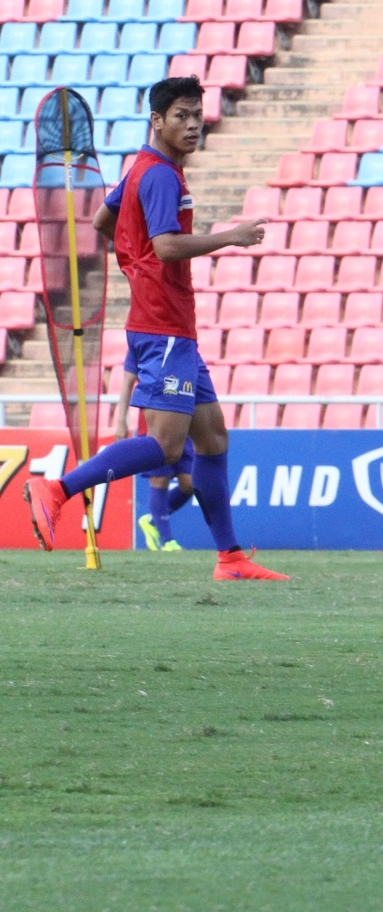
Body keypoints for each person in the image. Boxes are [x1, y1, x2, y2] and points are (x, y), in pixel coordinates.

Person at [26, 76, 285, 579]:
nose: (193, 125)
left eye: (198, 116)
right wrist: (229, 237)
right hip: (163, 326)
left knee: (213, 439)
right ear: (157, 120)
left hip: (171, 326)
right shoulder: (161, 176)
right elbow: (165, 246)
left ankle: (230, 558)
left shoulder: (142, 169)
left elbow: (104, 220)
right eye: (182, 116)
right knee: (167, 446)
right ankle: (56, 489)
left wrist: (134, 260)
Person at [119, 371, 196, 552]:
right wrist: (121, 420)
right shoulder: (140, 352)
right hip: (152, 424)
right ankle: (167, 540)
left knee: (192, 484)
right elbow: (128, 382)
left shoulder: (184, 353)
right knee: (160, 479)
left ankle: (153, 521)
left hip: (181, 423)